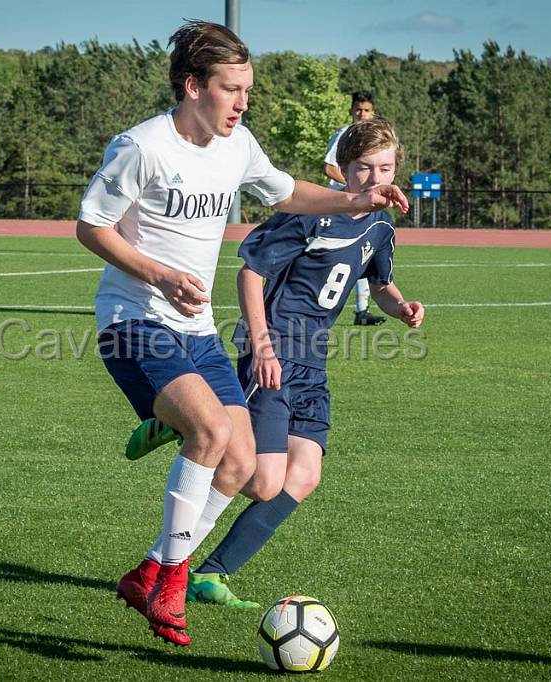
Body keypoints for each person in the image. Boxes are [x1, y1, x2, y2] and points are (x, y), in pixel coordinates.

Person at [77, 21, 407, 647]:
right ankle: (171, 583)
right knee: (208, 430)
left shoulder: (239, 146)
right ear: (193, 85)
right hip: (134, 320)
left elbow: (290, 193)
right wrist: (158, 273)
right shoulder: (141, 146)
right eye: (232, 89)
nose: (243, 102)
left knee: (243, 462)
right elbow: (91, 225)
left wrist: (359, 202)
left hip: (196, 329)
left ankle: (146, 571)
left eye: (247, 89)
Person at [128, 117, 424, 610]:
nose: (375, 179)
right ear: (342, 170)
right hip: (276, 353)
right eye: (364, 169)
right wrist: (262, 345)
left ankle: (210, 573)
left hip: (314, 362)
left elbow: (377, 285)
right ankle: (186, 424)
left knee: (303, 477)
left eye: (386, 168)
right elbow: (251, 274)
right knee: (263, 481)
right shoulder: (310, 214)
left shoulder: (382, 222)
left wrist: (402, 307)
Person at [324, 91, 386, 326]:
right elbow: (329, 167)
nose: (362, 114)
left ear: (373, 113)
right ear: (352, 111)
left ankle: (362, 311)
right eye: (358, 110)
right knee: (336, 256)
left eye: (366, 110)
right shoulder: (344, 135)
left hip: (363, 205)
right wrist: (351, 187)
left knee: (363, 253)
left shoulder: (374, 140)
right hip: (342, 205)